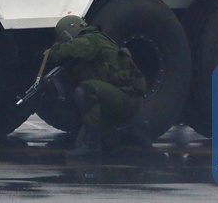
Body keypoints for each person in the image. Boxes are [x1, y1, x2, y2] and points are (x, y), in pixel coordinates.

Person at [48, 15, 147, 157]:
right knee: (82, 143)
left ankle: (92, 145)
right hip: (120, 98)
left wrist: (50, 51)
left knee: (85, 90)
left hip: (126, 98)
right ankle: (128, 133)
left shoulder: (91, 39)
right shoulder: (96, 42)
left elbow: (62, 51)